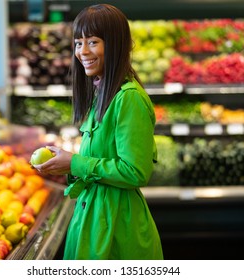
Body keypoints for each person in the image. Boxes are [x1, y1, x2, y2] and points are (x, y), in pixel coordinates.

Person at [33, 3, 163, 260]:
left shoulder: (129, 99)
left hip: (117, 229)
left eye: (92, 42)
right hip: (94, 220)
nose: (83, 52)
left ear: (115, 44)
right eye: (78, 43)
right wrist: (67, 166)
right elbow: (99, 161)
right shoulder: (102, 93)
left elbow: (135, 171)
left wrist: (76, 163)